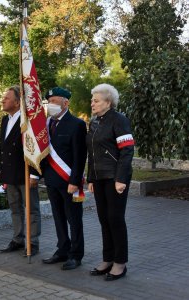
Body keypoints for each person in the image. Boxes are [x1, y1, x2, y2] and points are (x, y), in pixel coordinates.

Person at [87, 83, 134, 281]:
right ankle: (107, 259)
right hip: (99, 178)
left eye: (96, 101)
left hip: (115, 178)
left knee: (115, 219)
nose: (92, 103)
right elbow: (92, 152)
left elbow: (127, 150)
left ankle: (120, 263)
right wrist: (90, 178)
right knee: (104, 219)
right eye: (92, 100)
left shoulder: (119, 120)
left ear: (108, 102)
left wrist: (120, 179)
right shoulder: (95, 121)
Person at [41, 87, 87, 270]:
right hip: (52, 180)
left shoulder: (76, 124)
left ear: (65, 103)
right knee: (58, 217)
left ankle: (76, 255)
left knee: (74, 219)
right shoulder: (45, 124)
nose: (50, 104)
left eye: (54, 101)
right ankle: (62, 249)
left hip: (68, 181)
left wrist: (75, 182)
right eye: (49, 101)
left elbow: (80, 156)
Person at [0, 86, 41, 256]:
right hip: (10, 172)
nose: (3, 100)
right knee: (15, 208)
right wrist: (3, 174)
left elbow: (35, 148)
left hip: (25, 172)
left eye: (7, 98)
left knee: (31, 209)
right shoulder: (4, 120)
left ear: (17, 102)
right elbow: (4, 149)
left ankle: (33, 242)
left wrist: (34, 174)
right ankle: (17, 238)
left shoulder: (27, 121)